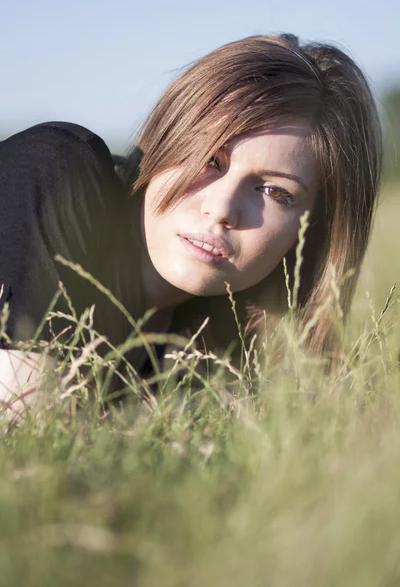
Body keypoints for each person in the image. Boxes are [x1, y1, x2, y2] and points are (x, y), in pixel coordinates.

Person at [0, 34, 382, 414]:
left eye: (274, 192)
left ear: (310, 231)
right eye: (210, 159)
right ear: (167, 135)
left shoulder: (218, 356)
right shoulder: (53, 172)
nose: (221, 209)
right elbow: (24, 424)